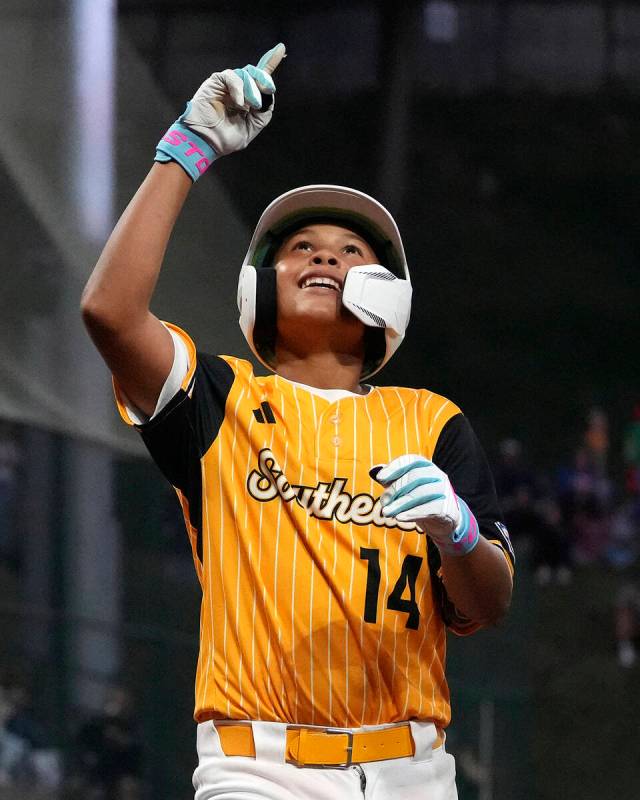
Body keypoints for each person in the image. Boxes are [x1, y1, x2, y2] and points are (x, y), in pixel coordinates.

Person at [81, 44, 514, 800]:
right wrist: (190, 145)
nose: (322, 256)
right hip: (256, 769)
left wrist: (460, 531)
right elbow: (110, 314)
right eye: (299, 249)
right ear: (261, 286)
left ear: (389, 293)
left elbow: (490, 603)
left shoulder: (432, 422)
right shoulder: (221, 400)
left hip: (413, 771)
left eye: (350, 251)